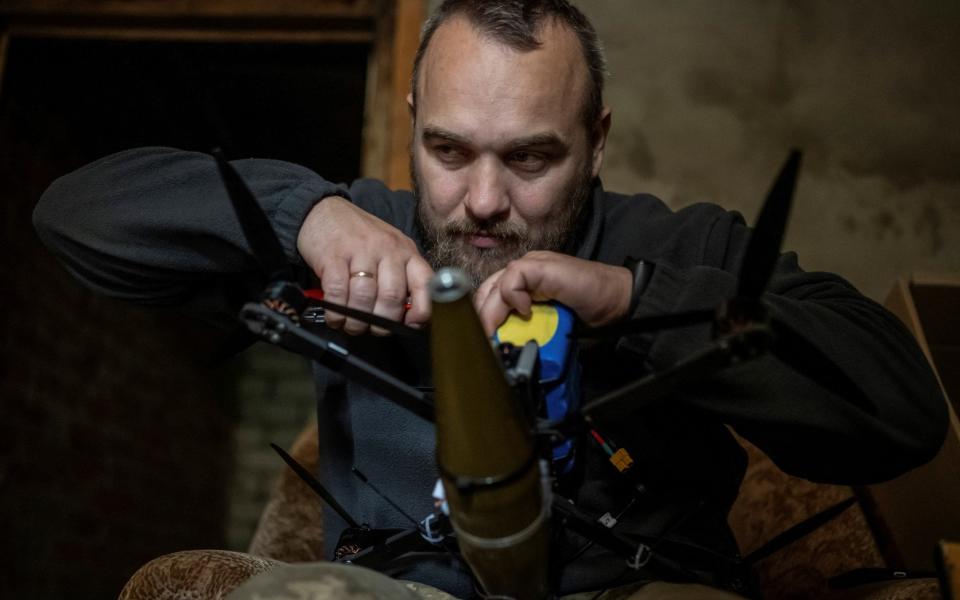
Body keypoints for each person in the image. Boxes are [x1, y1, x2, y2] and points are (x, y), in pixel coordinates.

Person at [33, 1, 946, 599]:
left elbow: (902, 415)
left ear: (596, 142)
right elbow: (72, 216)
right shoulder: (357, 230)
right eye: (449, 150)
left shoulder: (680, 247)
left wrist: (638, 301)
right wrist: (303, 214)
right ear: (411, 128)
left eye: (531, 158)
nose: (482, 202)